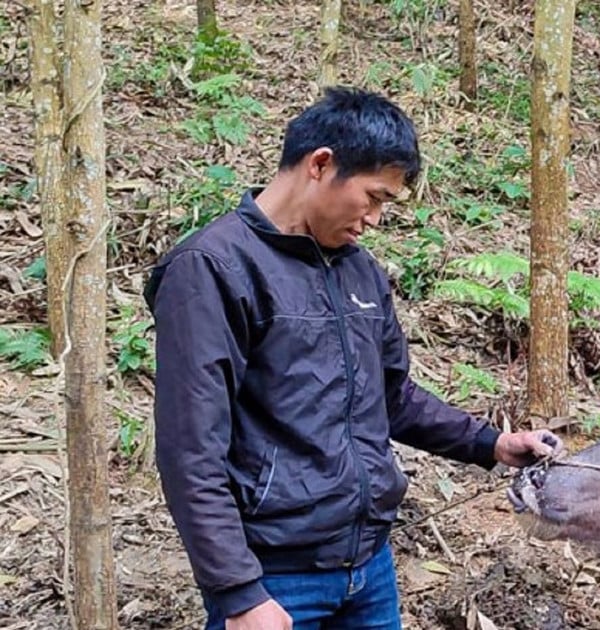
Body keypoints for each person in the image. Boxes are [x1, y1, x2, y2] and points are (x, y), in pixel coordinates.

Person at [143, 86, 563, 630]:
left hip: (368, 567)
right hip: (277, 577)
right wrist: (240, 594)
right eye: (374, 196)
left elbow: (393, 397)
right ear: (321, 165)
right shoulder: (213, 269)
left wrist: (492, 443)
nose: (375, 218)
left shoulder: (359, 272)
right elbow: (190, 449)